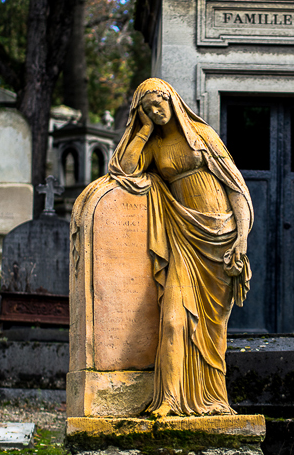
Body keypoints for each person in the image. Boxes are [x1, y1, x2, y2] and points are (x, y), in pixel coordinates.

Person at [79, 78, 253, 417]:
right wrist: (142, 130)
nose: (156, 112)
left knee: (211, 328)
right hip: (185, 240)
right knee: (174, 320)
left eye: (159, 104)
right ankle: (169, 400)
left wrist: (242, 237)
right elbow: (124, 169)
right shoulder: (155, 146)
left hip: (221, 237)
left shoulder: (203, 137)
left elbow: (236, 189)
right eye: (147, 109)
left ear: (172, 99)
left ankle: (214, 399)